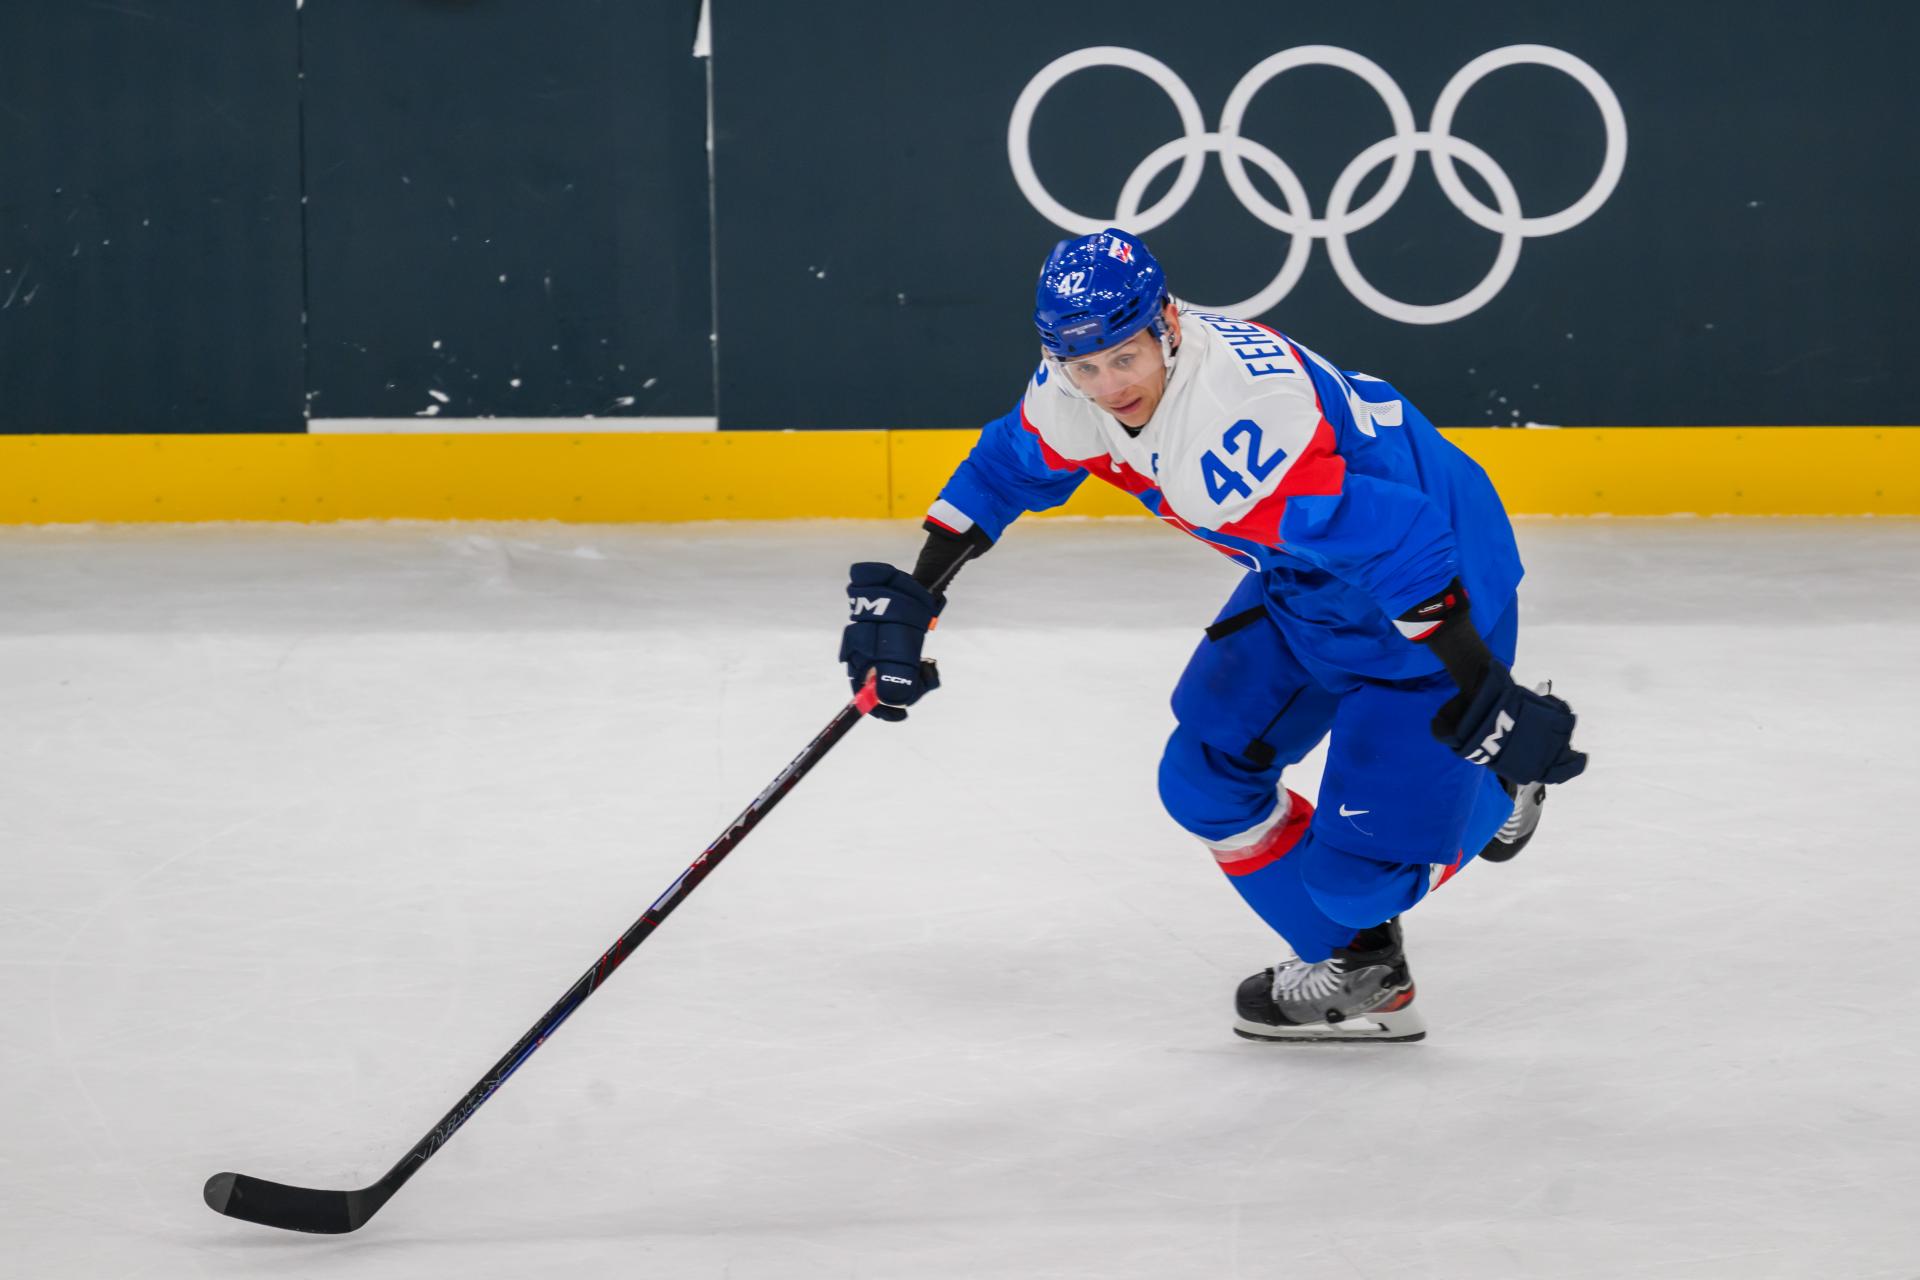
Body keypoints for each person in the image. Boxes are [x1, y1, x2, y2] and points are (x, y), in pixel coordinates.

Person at [837, 228, 1587, 1043]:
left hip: (1438, 581)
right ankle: (1367, 970)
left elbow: (1401, 540)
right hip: (1308, 579)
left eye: (1124, 359)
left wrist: (1483, 691)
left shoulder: (1230, 426)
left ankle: (1499, 789)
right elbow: (1003, 469)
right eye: (1084, 368)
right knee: (1203, 782)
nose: (1108, 387)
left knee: (1359, 883)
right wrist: (921, 593)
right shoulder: (1075, 385)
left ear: (1166, 323)